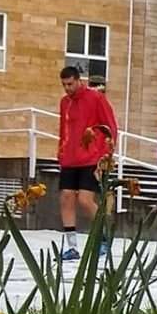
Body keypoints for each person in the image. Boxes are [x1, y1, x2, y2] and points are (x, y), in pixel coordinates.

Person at [57, 66, 118, 260]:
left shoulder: (96, 98)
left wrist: (106, 155)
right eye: (64, 85)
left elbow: (110, 126)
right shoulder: (64, 102)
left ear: (78, 80)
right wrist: (61, 153)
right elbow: (63, 129)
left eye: (70, 84)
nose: (67, 88)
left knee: (85, 200)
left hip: (91, 158)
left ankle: (103, 239)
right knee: (66, 197)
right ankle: (71, 247)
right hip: (69, 158)